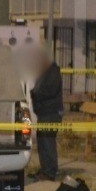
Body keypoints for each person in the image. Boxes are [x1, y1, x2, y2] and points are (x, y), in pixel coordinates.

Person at [30, 52, 63, 182]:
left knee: (47, 142)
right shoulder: (45, 73)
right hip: (44, 113)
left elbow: (49, 90)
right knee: (43, 142)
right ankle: (45, 169)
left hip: (51, 113)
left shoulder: (53, 72)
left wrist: (35, 94)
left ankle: (49, 172)